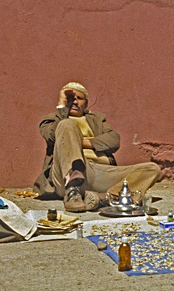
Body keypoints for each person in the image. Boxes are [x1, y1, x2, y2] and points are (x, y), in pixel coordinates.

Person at [33, 81, 162, 212]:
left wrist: (78, 141)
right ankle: (73, 191)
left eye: (79, 98)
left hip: (100, 173)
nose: (75, 102)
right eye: (71, 98)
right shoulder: (52, 120)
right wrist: (62, 108)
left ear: (86, 103)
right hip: (65, 175)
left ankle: (105, 198)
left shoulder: (97, 119)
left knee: (152, 169)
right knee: (67, 124)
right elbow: (52, 137)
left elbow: (113, 140)